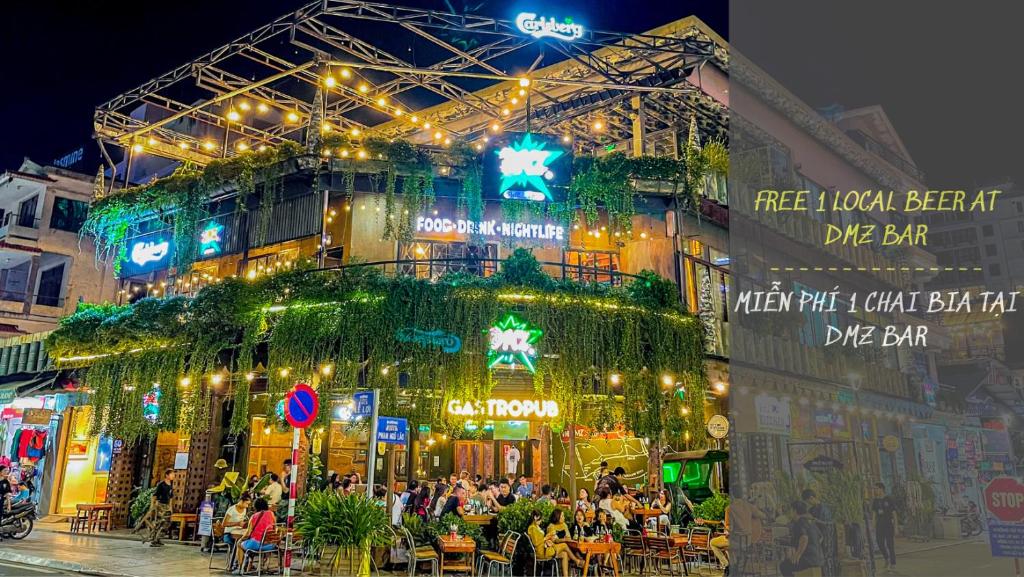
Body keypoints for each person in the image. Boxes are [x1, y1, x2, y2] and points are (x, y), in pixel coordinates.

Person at [528, 509, 583, 577]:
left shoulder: (536, 527)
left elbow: (540, 540)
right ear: (535, 517)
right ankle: (576, 560)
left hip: (544, 549)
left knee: (564, 554)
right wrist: (546, 538)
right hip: (542, 552)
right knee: (564, 545)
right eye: (540, 518)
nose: (541, 520)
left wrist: (547, 539)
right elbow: (536, 542)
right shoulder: (532, 528)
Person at [780, 501, 824, 577]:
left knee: (784, 566)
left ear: (794, 511)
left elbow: (804, 537)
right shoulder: (810, 521)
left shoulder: (800, 522)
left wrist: (798, 554)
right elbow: (821, 537)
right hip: (819, 559)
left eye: (791, 510)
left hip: (808, 560)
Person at [234, 498, 277, 571]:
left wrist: (241, 539)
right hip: (270, 545)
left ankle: (239, 568)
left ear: (256, 507)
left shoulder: (254, 516)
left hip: (256, 544)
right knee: (249, 544)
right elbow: (274, 528)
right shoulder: (271, 514)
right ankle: (256, 565)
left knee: (239, 544)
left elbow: (248, 533)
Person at [871, 482, 898, 572]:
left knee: (890, 544)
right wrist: (873, 526)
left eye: (876, 488)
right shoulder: (875, 501)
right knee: (880, 543)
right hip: (879, 525)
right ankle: (886, 558)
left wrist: (896, 527)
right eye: (874, 489)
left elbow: (894, 513)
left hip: (888, 525)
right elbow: (874, 514)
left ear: (881, 489)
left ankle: (893, 563)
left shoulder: (889, 499)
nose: (875, 490)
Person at [146, 469, 175, 547]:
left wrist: (170, 507)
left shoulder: (171, 485)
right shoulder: (161, 484)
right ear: (167, 475)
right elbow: (154, 495)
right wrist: (152, 506)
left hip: (166, 505)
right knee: (159, 522)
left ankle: (158, 538)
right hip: (160, 505)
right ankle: (154, 540)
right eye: (172, 474)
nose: (173, 476)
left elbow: (171, 497)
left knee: (167, 522)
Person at [223, 492, 252, 568]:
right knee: (237, 545)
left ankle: (243, 564)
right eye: (246, 503)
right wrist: (237, 523)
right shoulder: (231, 509)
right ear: (241, 501)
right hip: (229, 534)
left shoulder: (244, 509)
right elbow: (224, 524)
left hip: (238, 533)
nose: (247, 506)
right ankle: (235, 565)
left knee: (246, 544)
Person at [709, 503, 730, 571]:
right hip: (749, 541)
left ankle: (727, 565)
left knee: (712, 542)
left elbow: (727, 526)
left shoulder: (729, 509)